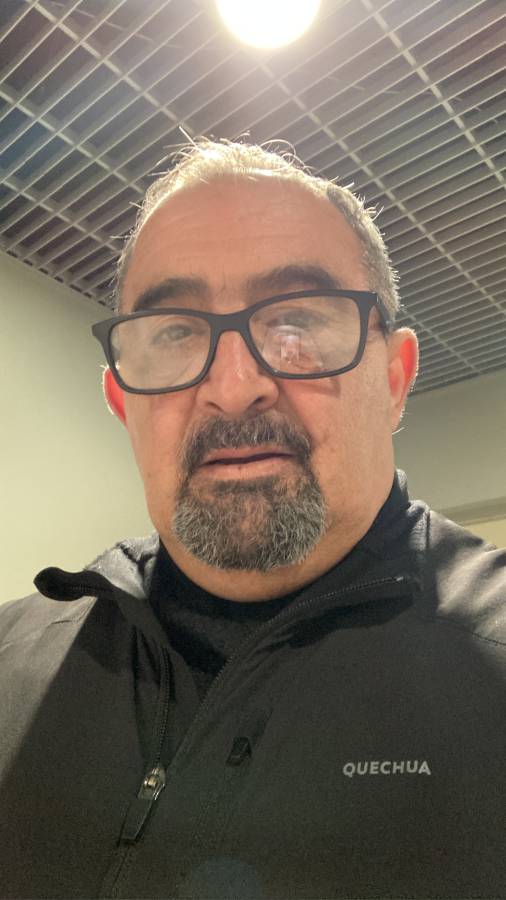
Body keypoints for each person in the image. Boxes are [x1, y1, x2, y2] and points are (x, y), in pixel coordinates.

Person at [0, 139, 504, 900]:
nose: (233, 388)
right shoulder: (10, 661)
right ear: (122, 404)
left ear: (395, 379)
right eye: (176, 332)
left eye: (295, 319)